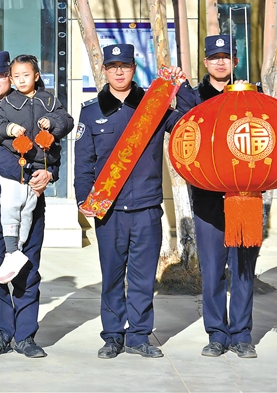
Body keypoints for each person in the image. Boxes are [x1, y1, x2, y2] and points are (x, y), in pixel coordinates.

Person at [74, 44, 188, 360]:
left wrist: (181, 87)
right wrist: (85, 201)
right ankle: (112, 336)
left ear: (133, 68)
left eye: (124, 66)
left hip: (147, 208)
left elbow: (187, 124)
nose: (119, 72)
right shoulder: (91, 111)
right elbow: (84, 163)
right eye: (113, 67)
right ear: (105, 71)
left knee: (142, 278)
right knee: (112, 276)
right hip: (109, 210)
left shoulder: (153, 107)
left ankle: (138, 336)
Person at [0, 51, 56, 359]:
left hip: (31, 200)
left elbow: (52, 146)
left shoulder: (37, 106)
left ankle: (25, 336)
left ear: (10, 77)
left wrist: (50, 172)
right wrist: (32, 171)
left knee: (28, 270)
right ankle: (0, 334)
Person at [176, 35, 259, 359]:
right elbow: (181, 132)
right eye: (214, 57)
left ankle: (242, 335)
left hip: (245, 197)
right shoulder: (193, 97)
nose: (220, 62)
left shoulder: (251, 95)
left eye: (226, 56)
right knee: (212, 272)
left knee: (243, 271)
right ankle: (216, 334)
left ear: (235, 61)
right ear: (206, 62)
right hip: (208, 199)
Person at [0, 54, 74, 283]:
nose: (21, 80)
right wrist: (9, 129)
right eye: (17, 76)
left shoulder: (49, 101)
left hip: (40, 167)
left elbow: (67, 120)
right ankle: (11, 250)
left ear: (37, 76)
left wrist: (52, 122)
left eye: (26, 75)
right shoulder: (8, 102)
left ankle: (17, 250)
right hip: (17, 165)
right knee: (10, 205)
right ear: (11, 79)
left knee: (27, 210)